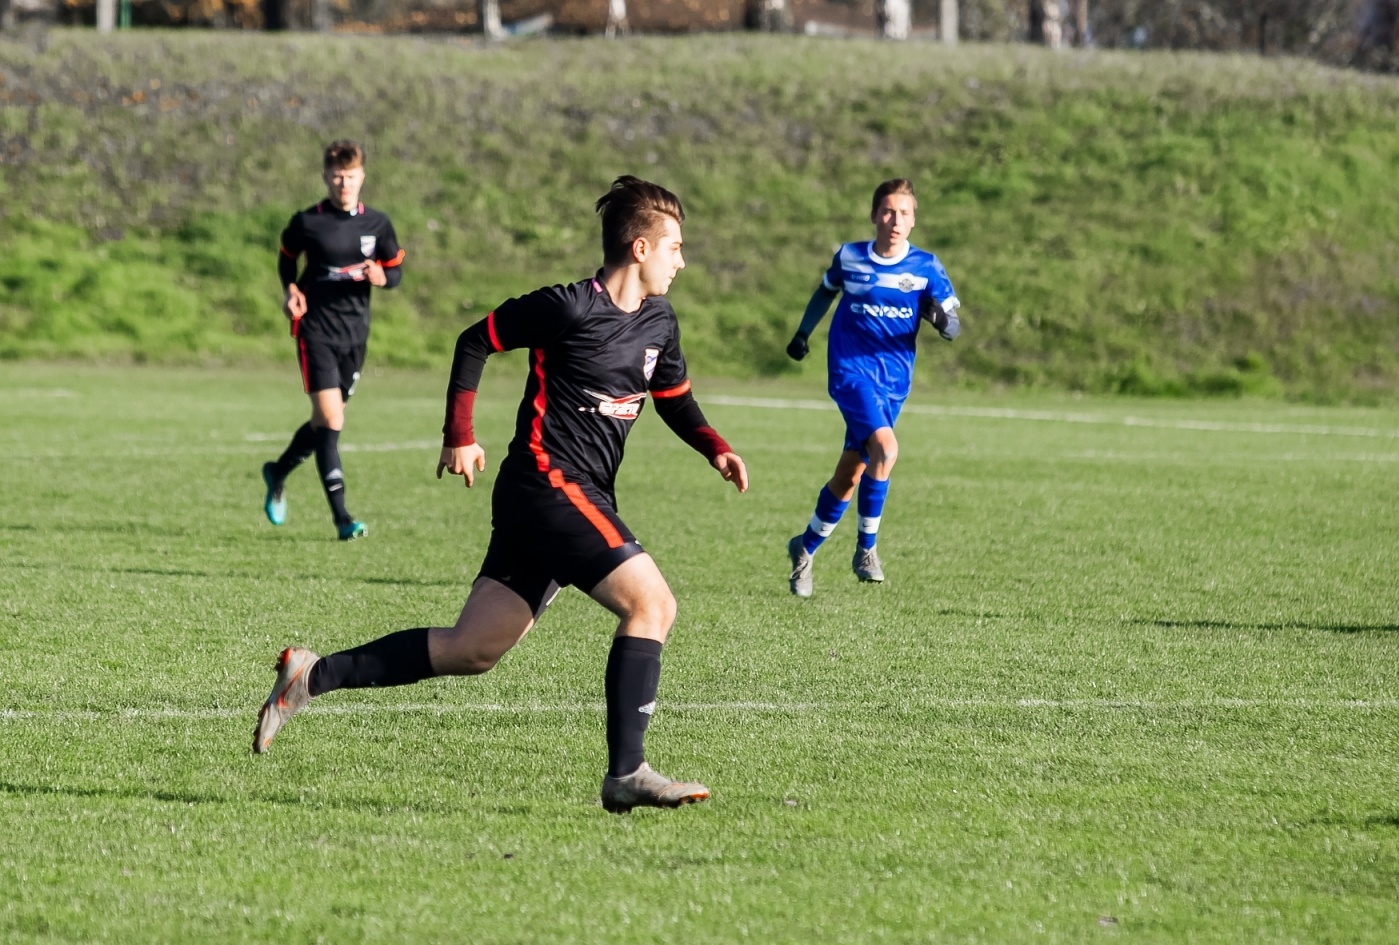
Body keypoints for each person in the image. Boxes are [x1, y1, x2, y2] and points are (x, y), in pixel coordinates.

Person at [254, 177, 748, 815]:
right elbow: (476, 340)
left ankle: (311, 675)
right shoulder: (568, 307)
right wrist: (459, 435)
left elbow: (674, 398)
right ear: (640, 247)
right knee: (652, 604)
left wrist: (714, 446)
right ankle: (627, 771)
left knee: (473, 648)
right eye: (675, 247)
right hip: (545, 484)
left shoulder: (659, 321)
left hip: (572, 495)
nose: (682, 261)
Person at [783, 178, 959, 597]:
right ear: (874, 215)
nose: (895, 220)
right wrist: (803, 333)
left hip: (894, 382)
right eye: (888, 211)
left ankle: (804, 547)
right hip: (850, 372)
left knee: (850, 474)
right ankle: (866, 549)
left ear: (913, 221)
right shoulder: (851, 257)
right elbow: (825, 292)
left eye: (904, 213)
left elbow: (953, 324)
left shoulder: (926, 267)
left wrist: (940, 320)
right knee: (887, 450)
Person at [262, 140, 405, 541]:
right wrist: (291, 288)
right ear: (326, 177)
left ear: (362, 177)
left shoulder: (378, 224)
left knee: (325, 422)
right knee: (333, 420)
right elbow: (287, 257)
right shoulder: (308, 222)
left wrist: (382, 277)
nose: (344, 184)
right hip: (315, 331)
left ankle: (278, 471)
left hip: (355, 336)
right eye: (337, 177)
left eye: (351, 176)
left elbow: (395, 271)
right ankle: (343, 518)